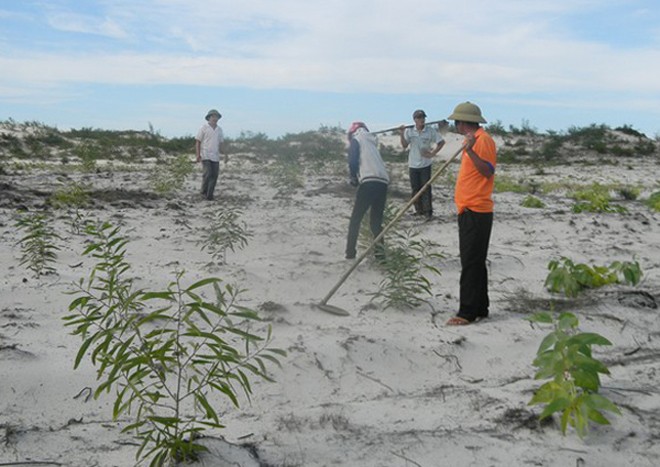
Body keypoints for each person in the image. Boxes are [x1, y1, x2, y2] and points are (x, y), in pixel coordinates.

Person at [445, 102, 497, 326]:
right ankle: (481, 307)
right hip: (469, 208)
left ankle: (466, 312)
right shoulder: (474, 140)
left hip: (476, 209)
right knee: (476, 261)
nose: (455, 125)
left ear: (464, 122)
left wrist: (469, 151)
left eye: (457, 121)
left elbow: (487, 171)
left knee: (470, 262)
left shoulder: (482, 140)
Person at [345, 122, 389, 260]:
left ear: (353, 132)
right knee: (376, 222)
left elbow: (352, 160)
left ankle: (350, 253)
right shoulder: (372, 142)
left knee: (356, 219)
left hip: (369, 181)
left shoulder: (356, 139)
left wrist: (353, 177)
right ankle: (380, 255)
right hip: (383, 182)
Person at [399, 109, 445, 220]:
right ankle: (418, 210)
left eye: (423, 117)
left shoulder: (430, 131)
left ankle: (428, 212)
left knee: (426, 188)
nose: (422, 120)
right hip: (413, 164)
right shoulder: (409, 131)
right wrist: (401, 134)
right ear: (414, 119)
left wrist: (432, 153)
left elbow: (441, 142)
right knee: (415, 189)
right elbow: (405, 145)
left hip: (425, 164)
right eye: (419, 118)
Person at [195, 109, 226, 200]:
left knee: (214, 175)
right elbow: (198, 142)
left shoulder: (219, 130)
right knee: (207, 173)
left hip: (215, 156)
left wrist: (225, 154)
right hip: (205, 154)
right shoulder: (203, 128)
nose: (214, 118)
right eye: (213, 116)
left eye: (216, 116)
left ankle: (210, 195)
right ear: (209, 117)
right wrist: (198, 155)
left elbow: (221, 143)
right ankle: (203, 191)